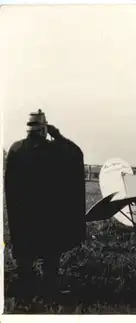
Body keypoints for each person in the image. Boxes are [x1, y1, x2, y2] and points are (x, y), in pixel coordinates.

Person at [4, 109, 86, 298]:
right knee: (50, 252)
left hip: (22, 213)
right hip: (47, 215)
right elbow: (76, 153)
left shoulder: (16, 149)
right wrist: (58, 135)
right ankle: (50, 287)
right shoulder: (55, 149)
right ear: (44, 129)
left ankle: (25, 284)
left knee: (25, 252)